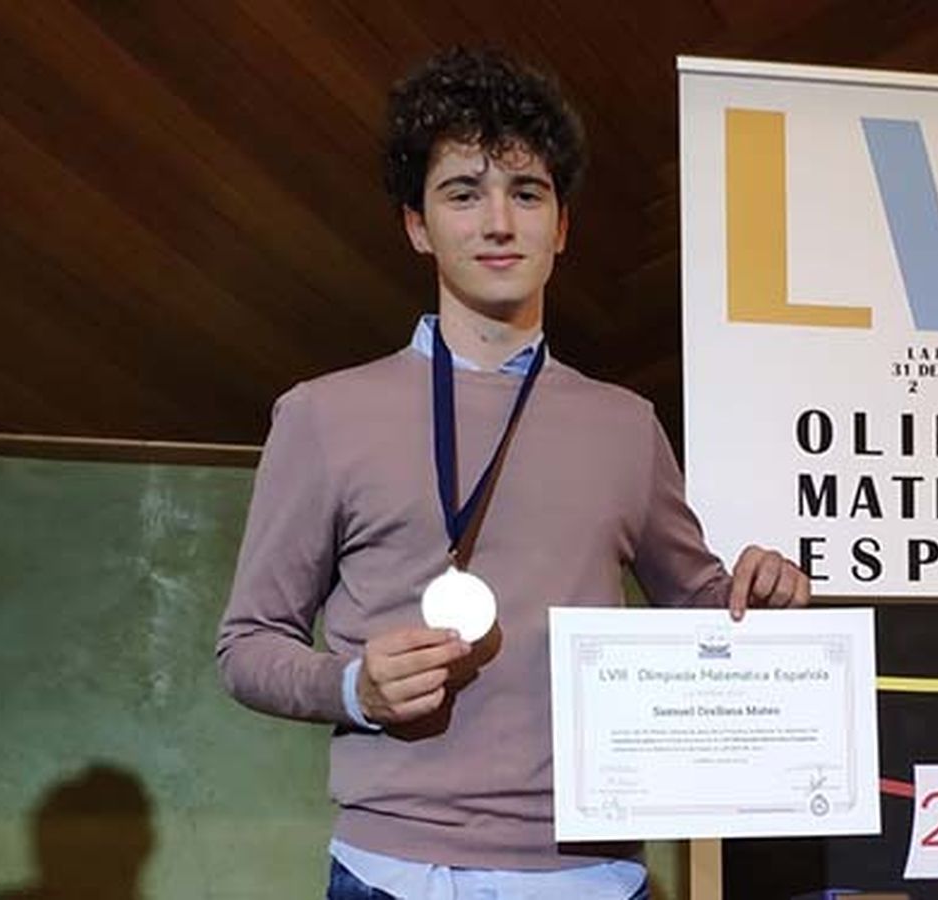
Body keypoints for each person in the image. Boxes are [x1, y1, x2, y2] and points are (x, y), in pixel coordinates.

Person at [216, 46, 809, 900]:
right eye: (464, 193)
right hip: (395, 871)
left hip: (593, 871)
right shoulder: (321, 414)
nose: (499, 222)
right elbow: (247, 645)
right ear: (417, 225)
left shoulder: (626, 425)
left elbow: (705, 610)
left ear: (561, 226)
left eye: (526, 193)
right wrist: (352, 686)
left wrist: (764, 595)